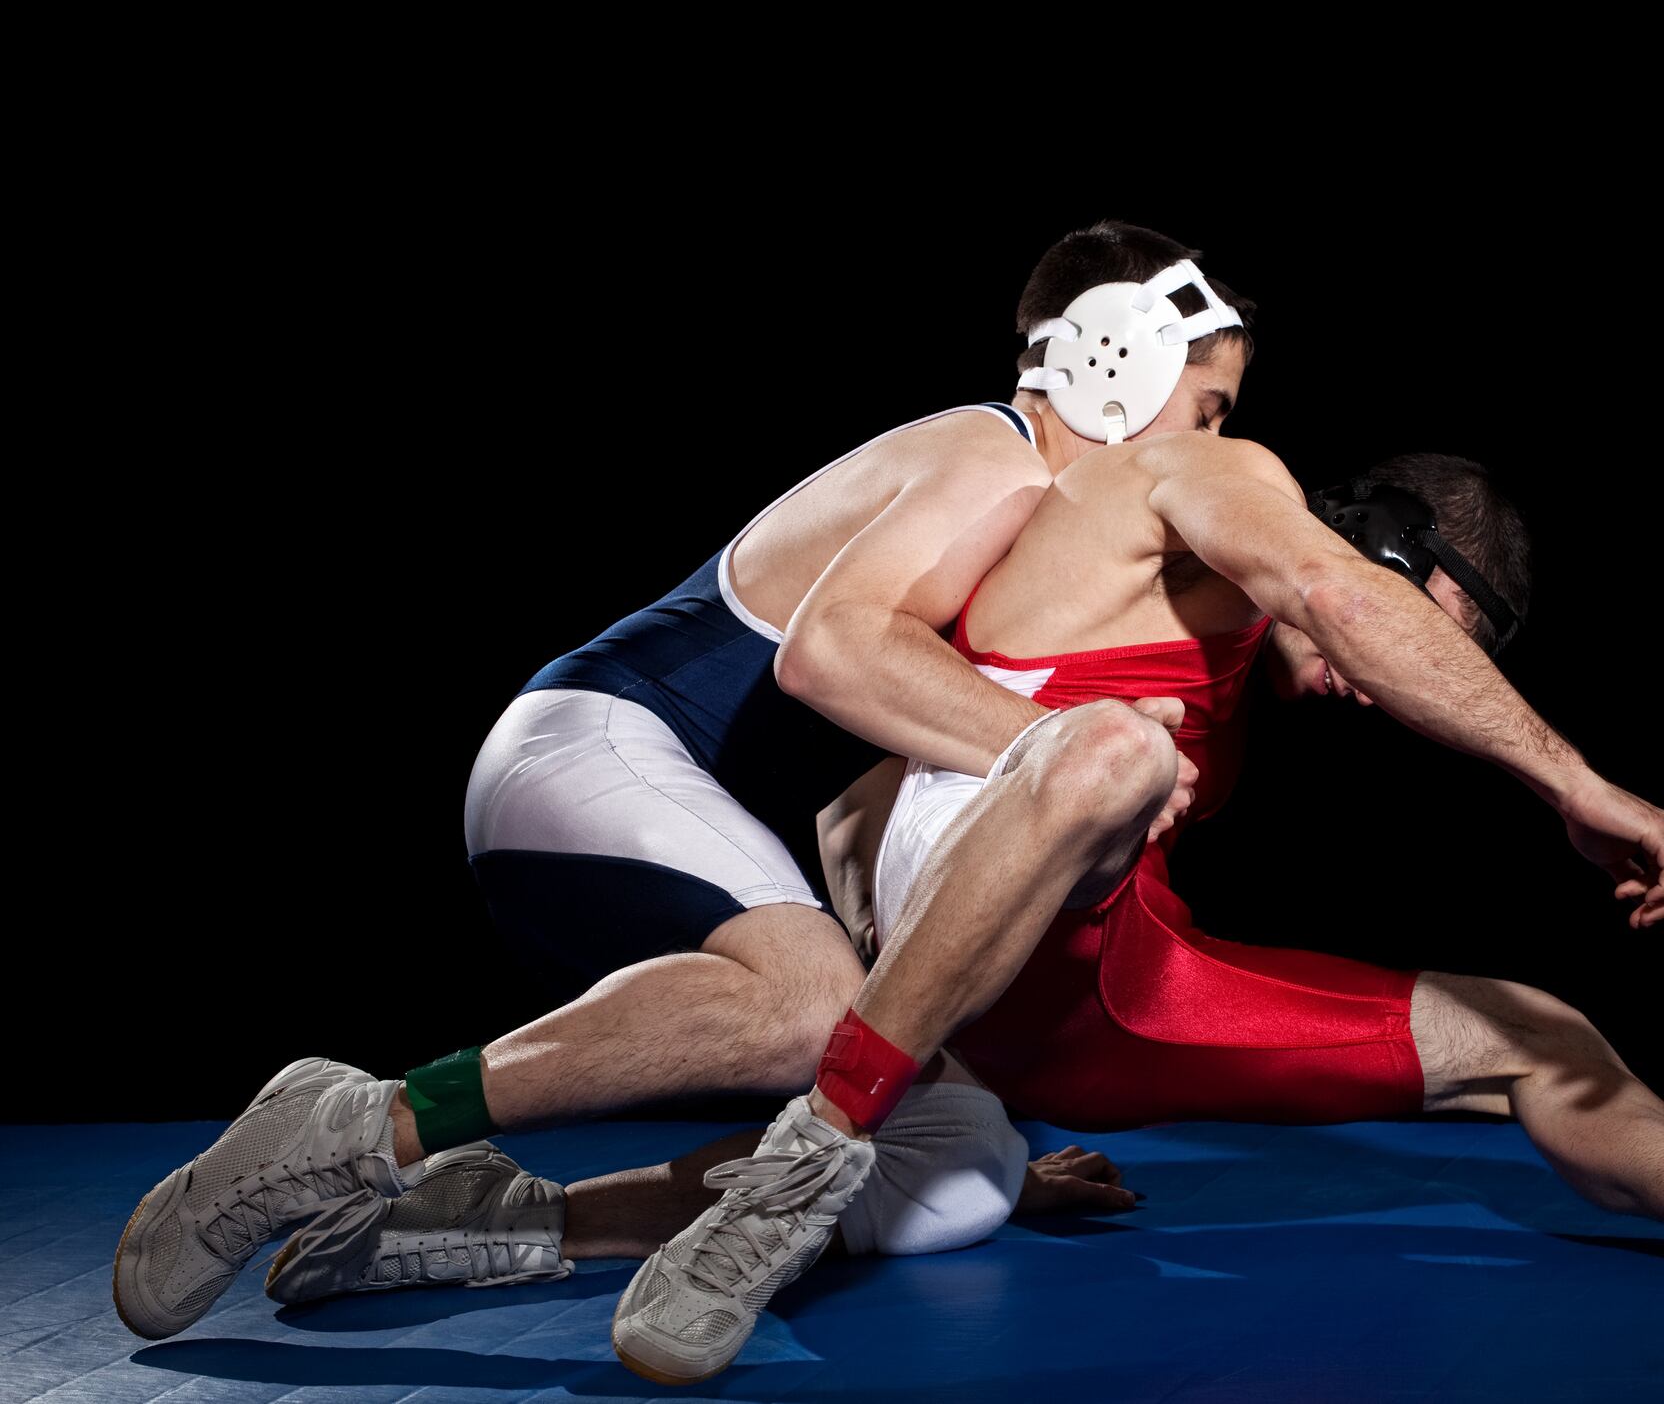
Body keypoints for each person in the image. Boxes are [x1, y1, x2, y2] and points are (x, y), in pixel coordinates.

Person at [606, 442, 1664, 1386]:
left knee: (1531, 1031)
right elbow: (861, 806)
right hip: (977, 928)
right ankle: (628, 1185)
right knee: (1095, 783)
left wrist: (963, 1074)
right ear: (1371, 557)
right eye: (1397, 631)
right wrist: (1568, 776)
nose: (1358, 686)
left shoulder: (1231, 677)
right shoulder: (1193, 488)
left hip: (1091, 994)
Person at [110, 220, 1255, 1343]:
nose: (1208, 448)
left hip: (677, 814)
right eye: (1209, 413)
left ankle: (484, 1222)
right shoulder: (993, 455)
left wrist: (951, 1091)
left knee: (953, 1162)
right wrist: (1059, 740)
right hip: (597, 744)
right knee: (812, 1014)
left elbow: (853, 824)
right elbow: (830, 652)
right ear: (1119, 358)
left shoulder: (1028, 553)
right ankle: (360, 1122)